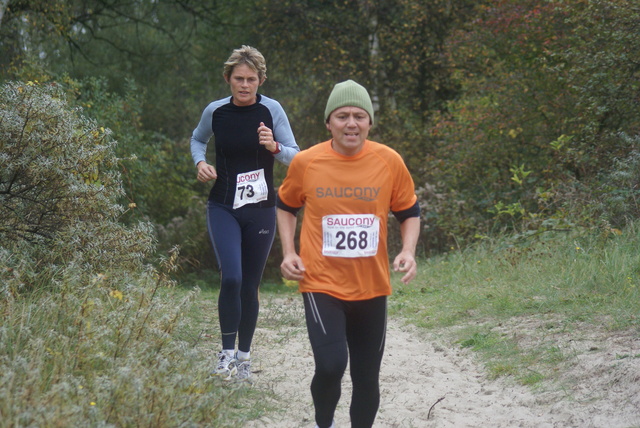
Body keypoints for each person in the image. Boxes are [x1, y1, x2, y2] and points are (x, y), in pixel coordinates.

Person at [276, 80, 421, 427]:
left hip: (372, 286)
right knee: (331, 365)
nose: (351, 123)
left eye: (359, 116)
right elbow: (284, 205)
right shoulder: (306, 162)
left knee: (366, 377)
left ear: (370, 122)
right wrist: (288, 252)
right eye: (342, 116)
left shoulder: (389, 161)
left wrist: (409, 250)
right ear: (329, 122)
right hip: (321, 284)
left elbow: (409, 212)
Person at [190, 45, 299, 381]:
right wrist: (201, 162)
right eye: (238, 78)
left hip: (262, 210)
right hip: (223, 205)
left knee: (250, 285)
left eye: (251, 79)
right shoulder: (216, 111)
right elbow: (197, 139)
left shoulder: (272, 110)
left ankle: (244, 359)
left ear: (261, 80)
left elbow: (296, 157)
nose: (244, 85)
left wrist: (274, 146)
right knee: (232, 278)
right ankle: (224, 355)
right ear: (228, 79)